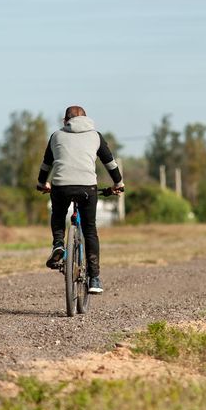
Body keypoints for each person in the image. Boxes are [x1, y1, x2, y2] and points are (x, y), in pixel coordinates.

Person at [36, 105, 124, 294]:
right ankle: (94, 279)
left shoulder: (56, 136)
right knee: (90, 229)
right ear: (86, 119)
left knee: (58, 214)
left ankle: (58, 244)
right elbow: (110, 163)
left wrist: (42, 183)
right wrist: (118, 183)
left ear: (65, 121)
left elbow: (46, 165)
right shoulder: (95, 136)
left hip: (61, 187)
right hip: (87, 188)